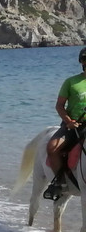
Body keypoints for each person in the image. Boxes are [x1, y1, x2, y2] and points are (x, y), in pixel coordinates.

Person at [43, 46, 86, 199]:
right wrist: (68, 121)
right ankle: (59, 183)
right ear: (82, 62)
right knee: (52, 147)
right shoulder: (71, 82)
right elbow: (59, 106)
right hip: (74, 125)